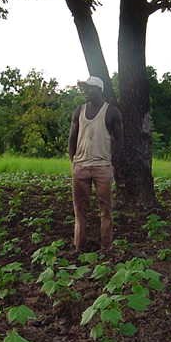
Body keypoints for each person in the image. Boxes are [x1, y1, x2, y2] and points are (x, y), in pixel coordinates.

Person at [69, 75, 123, 252]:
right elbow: (72, 138)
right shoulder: (79, 111)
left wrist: (112, 164)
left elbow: (119, 142)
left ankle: (106, 247)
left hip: (102, 167)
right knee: (80, 210)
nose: (86, 91)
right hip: (81, 166)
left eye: (89, 88)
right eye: (85, 88)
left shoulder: (112, 112)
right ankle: (79, 246)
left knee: (105, 210)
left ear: (99, 90)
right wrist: (74, 162)